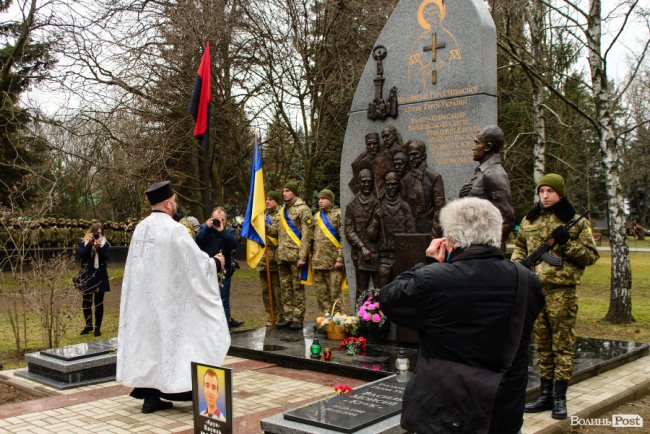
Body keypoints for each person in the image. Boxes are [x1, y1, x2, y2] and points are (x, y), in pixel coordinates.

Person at [379, 197, 544, 434]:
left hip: (443, 409)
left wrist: (426, 262)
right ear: (496, 232)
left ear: (451, 239)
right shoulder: (527, 280)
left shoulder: (433, 280)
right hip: (500, 408)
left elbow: (389, 299)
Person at [117, 181, 230, 414]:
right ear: (168, 204)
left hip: (143, 301)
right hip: (167, 300)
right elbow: (195, 264)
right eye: (175, 201)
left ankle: (150, 397)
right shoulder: (174, 229)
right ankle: (180, 389)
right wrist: (215, 263)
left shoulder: (141, 228)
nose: (176, 204)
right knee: (176, 340)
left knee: (149, 344)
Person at [512, 173, 599, 420]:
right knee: (542, 345)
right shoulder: (530, 219)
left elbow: (591, 256)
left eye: (550, 191)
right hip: (535, 290)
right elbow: (520, 246)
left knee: (562, 344)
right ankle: (545, 394)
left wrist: (567, 244)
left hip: (562, 292)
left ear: (559, 193)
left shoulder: (574, 221)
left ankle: (560, 398)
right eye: (541, 191)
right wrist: (518, 266)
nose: (545, 195)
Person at [459, 125, 515, 247]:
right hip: (472, 245)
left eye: (476, 143)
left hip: (485, 252)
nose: (473, 148)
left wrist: (489, 249)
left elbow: (507, 219)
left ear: (487, 147)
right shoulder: (481, 172)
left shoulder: (494, 174)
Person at [196, 207, 242, 329]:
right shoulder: (205, 228)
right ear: (211, 218)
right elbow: (198, 239)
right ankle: (207, 327)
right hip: (207, 270)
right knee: (206, 299)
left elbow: (234, 244)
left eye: (222, 219)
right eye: (217, 219)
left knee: (223, 300)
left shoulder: (229, 231)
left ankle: (225, 327)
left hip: (224, 272)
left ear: (226, 220)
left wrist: (222, 231)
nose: (220, 222)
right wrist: (206, 226)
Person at [276, 182, 313, 330]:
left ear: (294, 193)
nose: (284, 193)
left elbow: (306, 236)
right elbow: (277, 233)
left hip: (296, 256)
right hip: (282, 255)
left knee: (297, 289)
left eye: (287, 191)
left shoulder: (303, 210)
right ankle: (288, 316)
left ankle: (297, 318)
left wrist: (302, 257)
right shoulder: (282, 211)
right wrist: (263, 228)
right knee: (285, 288)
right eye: (283, 191)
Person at [344, 169, 380, 295]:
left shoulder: (378, 203)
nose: (366, 184)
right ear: (359, 182)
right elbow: (349, 231)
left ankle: (380, 315)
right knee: (361, 291)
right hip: (360, 255)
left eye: (369, 182)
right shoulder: (352, 206)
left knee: (380, 291)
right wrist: (362, 247)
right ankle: (361, 315)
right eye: (363, 181)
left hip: (378, 253)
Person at [400, 140, 446, 235]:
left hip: (430, 230)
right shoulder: (405, 180)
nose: (412, 158)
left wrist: (435, 234)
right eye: (410, 155)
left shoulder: (434, 177)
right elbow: (404, 207)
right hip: (410, 231)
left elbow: (439, 209)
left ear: (423, 156)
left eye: (415, 154)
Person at [311, 189, 345, 313]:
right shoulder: (316, 216)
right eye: (319, 199)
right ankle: (326, 321)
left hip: (333, 263)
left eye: (323, 199)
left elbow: (343, 239)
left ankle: (338, 321)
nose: (320, 201)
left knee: (335, 294)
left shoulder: (339, 214)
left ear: (331, 200)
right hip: (318, 262)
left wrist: (340, 259)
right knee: (321, 295)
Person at [76, 222, 111, 337]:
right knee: (86, 301)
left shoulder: (105, 244)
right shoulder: (84, 242)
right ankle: (88, 325)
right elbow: (81, 256)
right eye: (96, 233)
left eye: (100, 234)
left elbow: (107, 258)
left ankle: (97, 327)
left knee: (99, 302)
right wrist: (90, 244)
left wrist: (98, 248)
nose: (98, 235)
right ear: (91, 232)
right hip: (88, 274)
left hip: (100, 274)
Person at [257, 191, 283, 326]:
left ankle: (279, 317)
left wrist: (265, 225)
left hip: (276, 259)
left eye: (271, 199)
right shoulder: (262, 216)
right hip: (263, 259)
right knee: (266, 292)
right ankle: (269, 316)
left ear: (277, 202)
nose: (267, 202)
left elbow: (279, 233)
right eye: (266, 199)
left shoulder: (282, 215)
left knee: (278, 291)